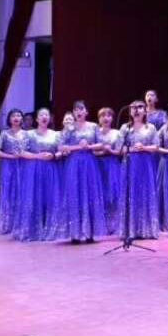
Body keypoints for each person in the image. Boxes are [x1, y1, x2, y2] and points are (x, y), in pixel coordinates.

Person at [58, 99, 108, 242]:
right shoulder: (69, 128)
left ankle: (89, 233)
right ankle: (75, 233)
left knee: (90, 193)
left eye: (81, 109)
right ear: (73, 112)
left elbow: (101, 144)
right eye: (76, 109)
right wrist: (77, 147)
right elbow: (61, 146)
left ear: (86, 112)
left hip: (89, 164)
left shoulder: (93, 126)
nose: (79, 112)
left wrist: (89, 146)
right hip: (73, 164)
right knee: (75, 194)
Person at [17, 106, 65, 242]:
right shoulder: (28, 134)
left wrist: (54, 155)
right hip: (34, 170)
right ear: (37, 119)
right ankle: (33, 229)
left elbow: (61, 151)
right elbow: (21, 152)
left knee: (50, 198)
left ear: (49, 119)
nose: (44, 117)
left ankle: (51, 228)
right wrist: (37, 156)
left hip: (51, 170)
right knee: (34, 197)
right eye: (41, 115)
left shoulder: (56, 134)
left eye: (46, 115)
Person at [117, 98, 162, 240]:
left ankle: (146, 229)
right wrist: (131, 149)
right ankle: (129, 230)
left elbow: (156, 146)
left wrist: (144, 148)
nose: (136, 110)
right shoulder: (125, 128)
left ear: (145, 111)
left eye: (140, 107)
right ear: (130, 111)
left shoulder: (151, 128)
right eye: (133, 107)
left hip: (145, 164)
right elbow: (119, 148)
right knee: (130, 194)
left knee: (145, 192)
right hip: (130, 164)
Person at [0, 107, 29, 236]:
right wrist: (10, 156)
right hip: (8, 166)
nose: (16, 118)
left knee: (22, 192)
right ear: (9, 119)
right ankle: (7, 224)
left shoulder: (27, 134)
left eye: (18, 115)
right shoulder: (4, 133)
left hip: (23, 165)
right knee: (7, 192)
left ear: (22, 119)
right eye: (13, 116)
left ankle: (21, 223)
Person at [95, 106, 123, 235]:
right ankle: (100, 225)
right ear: (99, 119)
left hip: (113, 165)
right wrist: (101, 152)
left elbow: (120, 151)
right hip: (97, 165)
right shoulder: (95, 132)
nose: (106, 118)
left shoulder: (117, 133)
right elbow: (91, 150)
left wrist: (109, 150)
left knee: (113, 194)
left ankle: (114, 225)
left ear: (112, 118)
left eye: (108, 116)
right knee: (99, 194)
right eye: (102, 116)